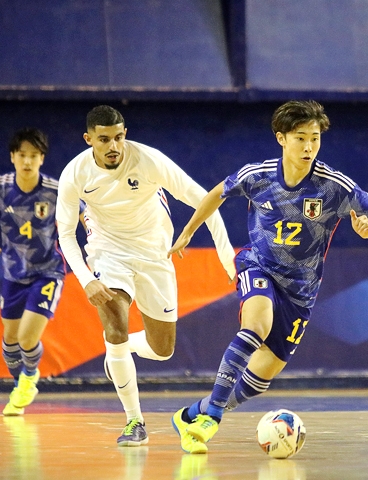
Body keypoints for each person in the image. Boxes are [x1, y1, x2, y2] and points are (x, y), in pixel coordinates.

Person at [168, 100, 368, 454]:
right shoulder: (256, 176)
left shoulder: (333, 186)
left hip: (301, 292)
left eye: (315, 139)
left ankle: (189, 414)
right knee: (255, 325)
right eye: (301, 138)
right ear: (281, 138)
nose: (308, 147)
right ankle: (211, 417)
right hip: (258, 266)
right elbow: (216, 193)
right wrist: (188, 230)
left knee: (258, 380)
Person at [55, 105, 236, 447]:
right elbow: (66, 234)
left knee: (162, 348)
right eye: (104, 139)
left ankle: (118, 353)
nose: (114, 146)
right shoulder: (74, 174)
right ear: (89, 139)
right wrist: (86, 279)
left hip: (155, 255)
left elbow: (206, 200)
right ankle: (134, 421)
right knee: (115, 323)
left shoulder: (148, 160)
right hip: (108, 253)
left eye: (119, 137)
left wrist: (228, 259)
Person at [0, 128, 68, 416]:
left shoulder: (55, 190)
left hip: (48, 272)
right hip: (13, 276)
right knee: (9, 343)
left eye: (34, 156)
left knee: (27, 339)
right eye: (22, 155)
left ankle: (30, 378)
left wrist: (93, 248)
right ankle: (20, 382)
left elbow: (85, 214)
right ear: (12, 157)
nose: (27, 161)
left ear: (42, 159)